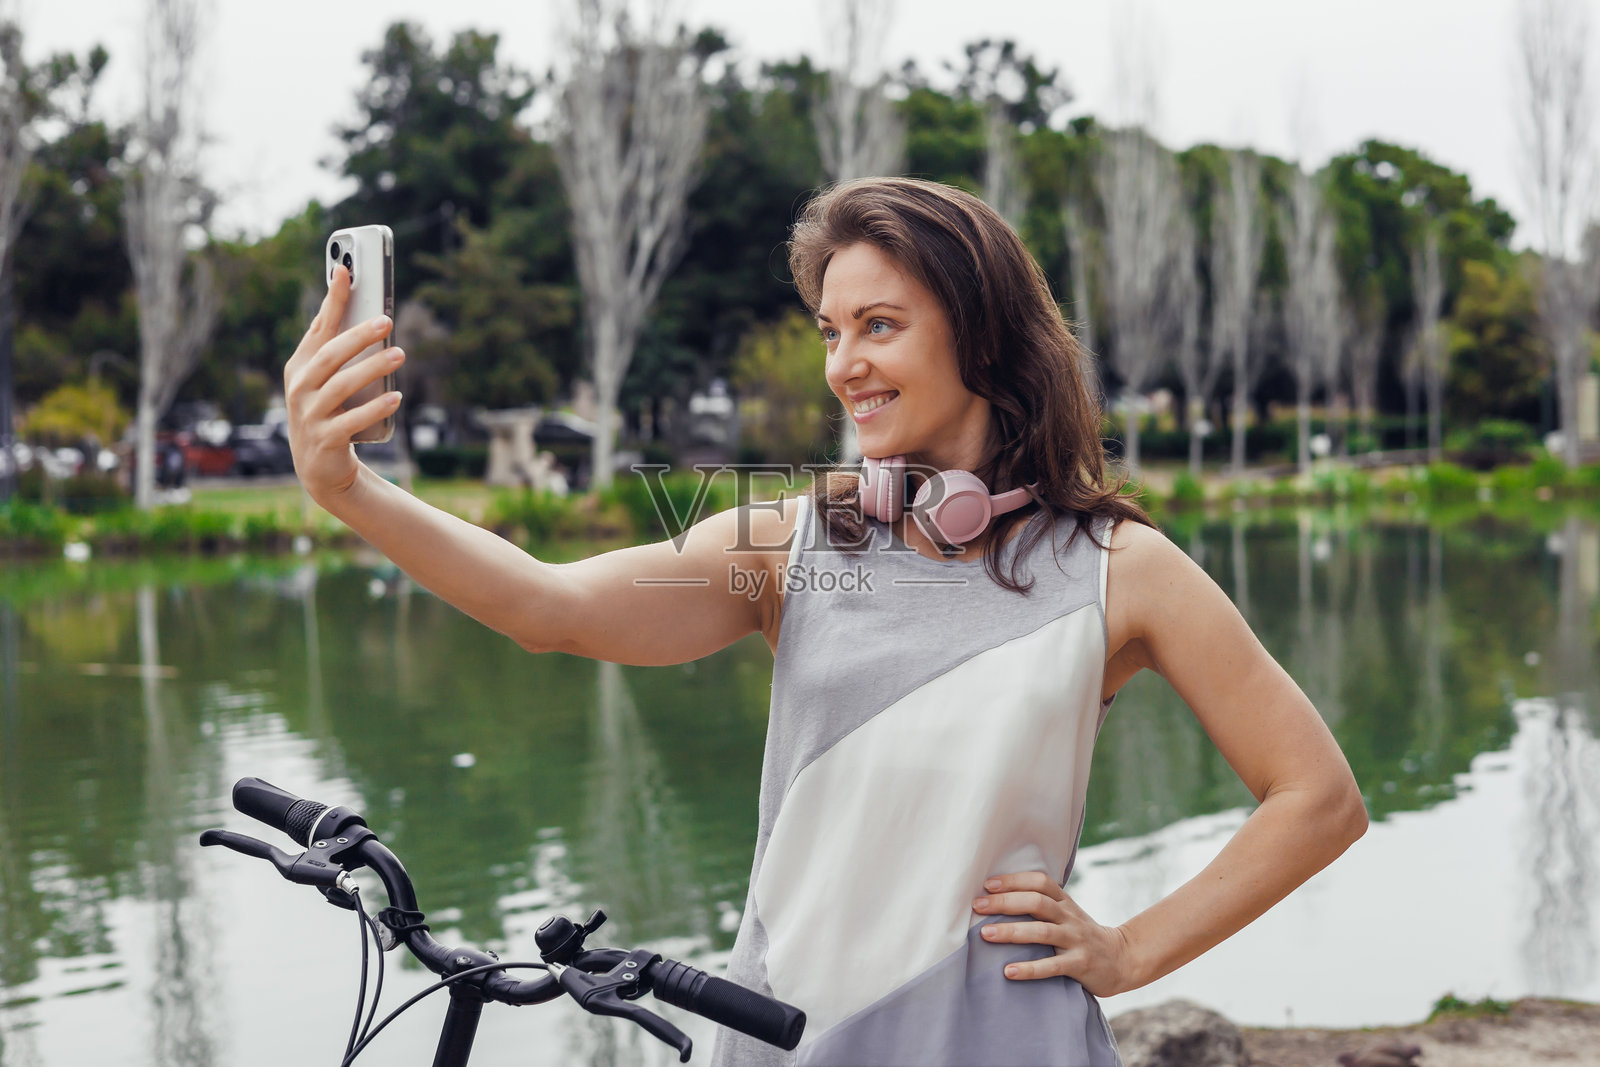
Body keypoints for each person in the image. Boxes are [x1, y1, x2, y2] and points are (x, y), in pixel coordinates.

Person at [283, 177, 1366, 1067]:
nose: (844, 362)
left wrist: (1129, 949)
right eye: (830, 329)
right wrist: (351, 492)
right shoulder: (786, 543)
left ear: (983, 336)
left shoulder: (1120, 568)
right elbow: (550, 608)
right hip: (783, 1036)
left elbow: (1316, 797)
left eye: (879, 325)